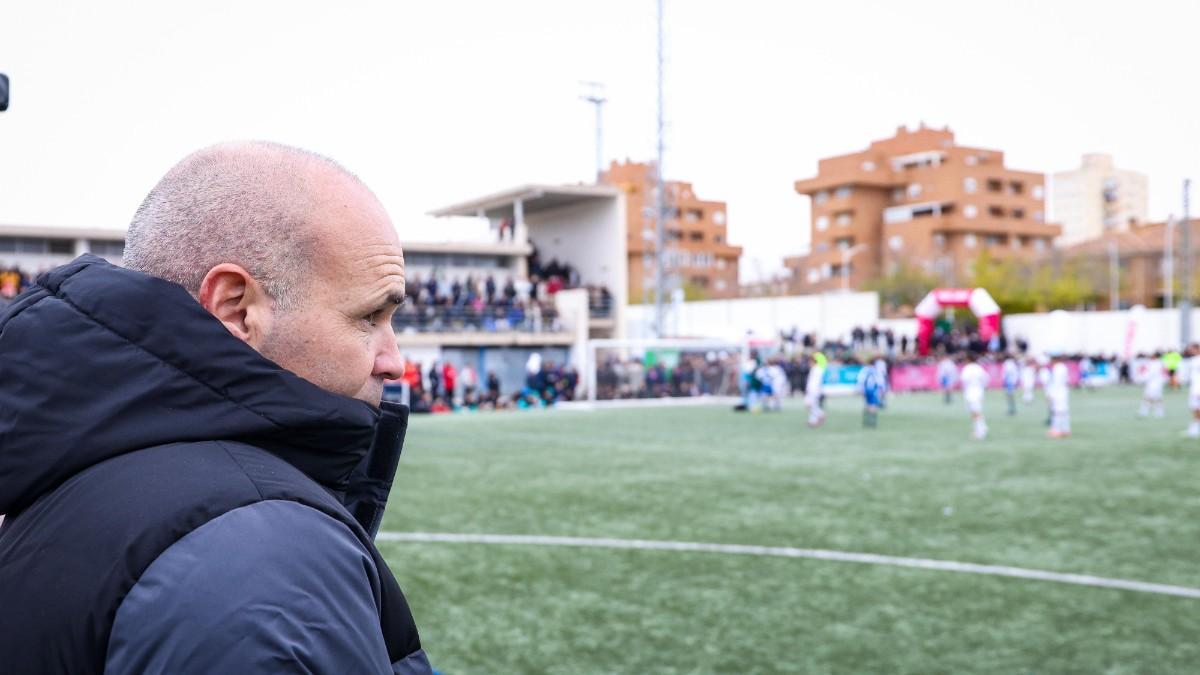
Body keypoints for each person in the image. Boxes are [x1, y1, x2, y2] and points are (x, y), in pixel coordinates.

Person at [0, 142, 432, 674]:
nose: (394, 363)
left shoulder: (74, 468)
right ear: (235, 308)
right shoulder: (265, 553)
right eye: (370, 317)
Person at [960, 354, 990, 440]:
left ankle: (981, 431)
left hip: (971, 391)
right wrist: (983, 386)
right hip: (979, 391)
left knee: (975, 412)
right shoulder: (979, 368)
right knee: (976, 411)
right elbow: (986, 378)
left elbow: (964, 379)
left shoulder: (967, 368)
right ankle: (980, 428)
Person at [1047, 356, 1072, 438]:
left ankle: (1057, 430)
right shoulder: (1062, 367)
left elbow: (1056, 383)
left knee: (1057, 411)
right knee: (1064, 411)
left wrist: (1051, 394)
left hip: (1058, 392)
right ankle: (1065, 429)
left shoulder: (1058, 368)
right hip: (1063, 391)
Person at [857, 358, 884, 428]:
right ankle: (872, 421)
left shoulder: (864, 369)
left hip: (866, 389)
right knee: (873, 405)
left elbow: (860, 379)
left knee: (867, 404)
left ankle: (866, 420)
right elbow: (880, 381)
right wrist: (881, 390)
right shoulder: (876, 370)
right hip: (873, 389)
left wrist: (860, 389)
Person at [1140, 351, 1166, 419]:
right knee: (1149, 397)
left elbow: (1151, 373)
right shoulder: (1157, 363)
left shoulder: (1157, 363)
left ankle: (1157, 411)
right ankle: (1147, 410)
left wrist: (1144, 378)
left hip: (1155, 383)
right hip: (1154, 383)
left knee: (1154, 397)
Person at [805, 351, 827, 427]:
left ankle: (820, 414)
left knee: (810, 404)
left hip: (814, 390)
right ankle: (813, 421)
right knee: (813, 405)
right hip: (813, 390)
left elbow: (816, 382)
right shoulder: (815, 369)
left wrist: (811, 389)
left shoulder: (817, 369)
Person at [1186, 345, 1200, 438]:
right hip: (1194, 387)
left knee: (1196, 408)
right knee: (1194, 408)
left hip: (1197, 389)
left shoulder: (1196, 360)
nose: (1190, 350)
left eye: (1192, 349)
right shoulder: (1194, 360)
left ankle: (1195, 428)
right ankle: (1194, 427)